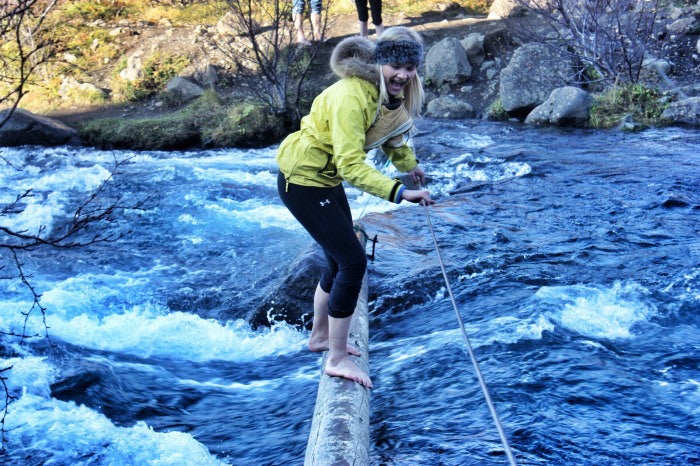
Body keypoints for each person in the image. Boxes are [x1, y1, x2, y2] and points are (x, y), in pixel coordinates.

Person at [276, 26, 434, 389]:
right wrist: (398, 192)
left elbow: (392, 136)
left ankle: (319, 337)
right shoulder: (351, 96)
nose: (404, 75)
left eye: (411, 68)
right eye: (396, 65)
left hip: (324, 179)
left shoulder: (387, 95)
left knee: (338, 258)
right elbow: (350, 164)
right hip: (303, 179)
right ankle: (336, 358)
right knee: (352, 262)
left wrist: (408, 165)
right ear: (380, 62)